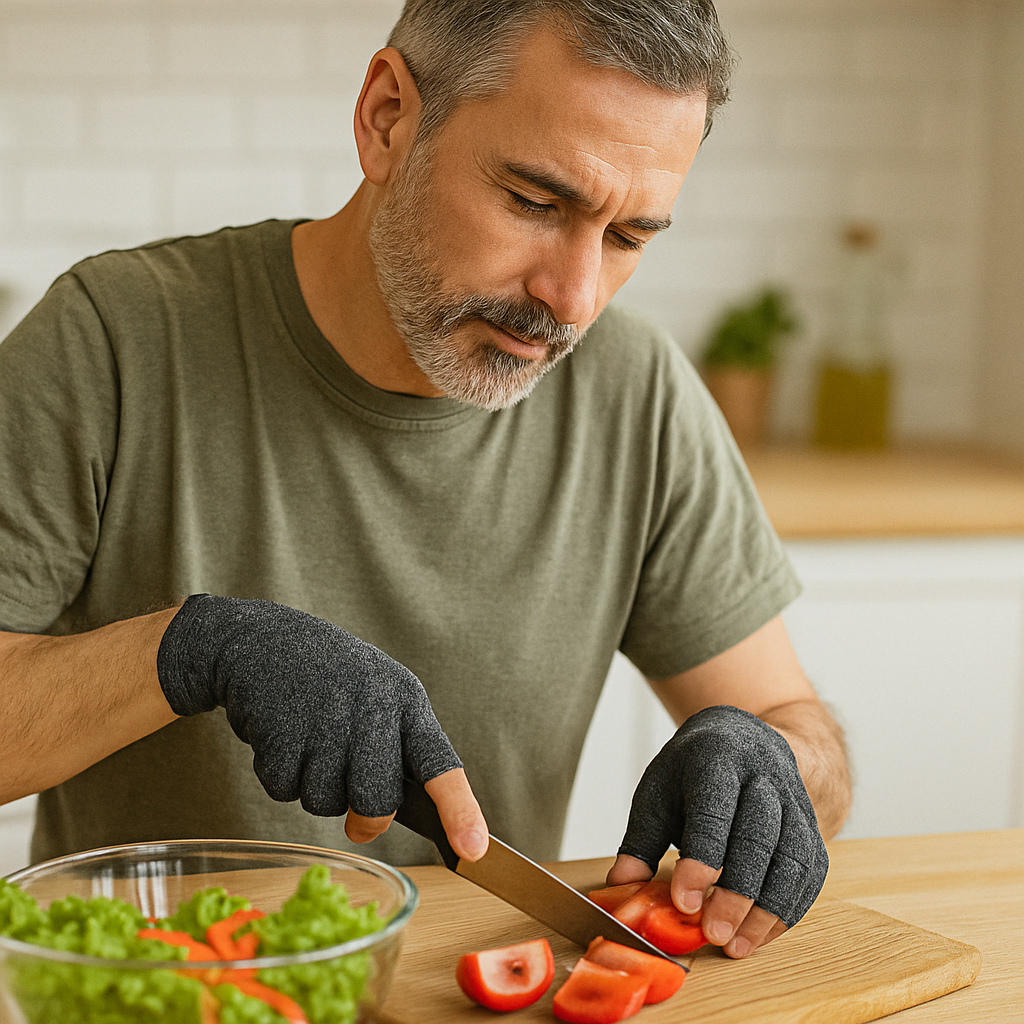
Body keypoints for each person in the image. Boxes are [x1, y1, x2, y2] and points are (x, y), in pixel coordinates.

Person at [0, 0, 851, 962]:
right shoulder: (113, 340)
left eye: (627, 238)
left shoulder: (635, 390)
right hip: (152, 983)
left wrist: (773, 764)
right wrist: (190, 651)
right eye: (536, 202)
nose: (572, 298)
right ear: (387, 118)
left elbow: (798, 726)